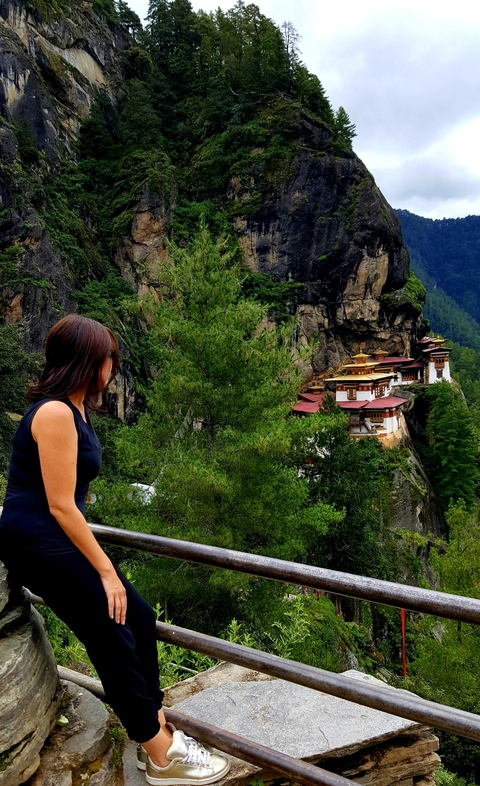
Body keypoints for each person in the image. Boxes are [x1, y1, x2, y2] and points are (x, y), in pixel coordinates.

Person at [0, 314, 230, 786]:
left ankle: (154, 721)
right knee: (109, 627)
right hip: (37, 537)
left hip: (55, 533)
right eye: (108, 356)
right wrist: (105, 570)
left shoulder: (77, 408)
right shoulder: (56, 413)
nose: (113, 366)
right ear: (87, 360)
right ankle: (160, 754)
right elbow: (63, 506)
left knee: (139, 617)